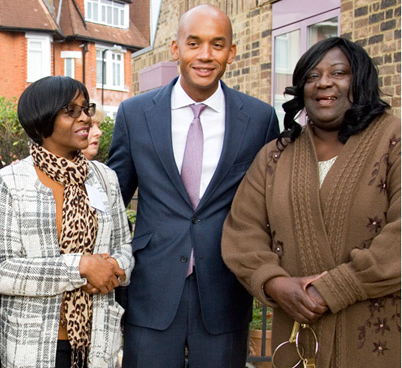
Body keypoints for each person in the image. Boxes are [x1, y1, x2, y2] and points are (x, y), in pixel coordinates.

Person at [107, 4, 279, 367]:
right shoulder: (135, 115)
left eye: (217, 45)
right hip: (150, 288)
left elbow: (268, 206)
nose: (205, 55)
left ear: (231, 52)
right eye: (194, 43)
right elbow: (113, 200)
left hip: (225, 287)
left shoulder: (260, 119)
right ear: (175, 49)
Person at [221, 37, 400, 368]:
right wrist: (274, 283)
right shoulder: (275, 156)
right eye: (313, 76)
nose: (324, 83)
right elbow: (241, 231)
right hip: (297, 336)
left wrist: (333, 288)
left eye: (338, 72)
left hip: (377, 338)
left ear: (359, 80)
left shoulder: (393, 140)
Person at [0, 76, 133, 368]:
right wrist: (80, 267)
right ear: (43, 119)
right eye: (71, 111)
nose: (86, 118)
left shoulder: (105, 178)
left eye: (86, 108)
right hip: (33, 346)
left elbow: (124, 246)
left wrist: (114, 269)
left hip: (97, 343)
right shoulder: (9, 182)